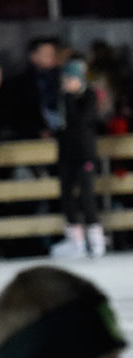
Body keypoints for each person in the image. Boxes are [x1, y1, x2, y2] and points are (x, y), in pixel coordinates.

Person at [52, 58, 106, 259]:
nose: (66, 84)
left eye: (70, 79)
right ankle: (76, 241)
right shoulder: (61, 99)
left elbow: (80, 122)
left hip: (84, 154)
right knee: (67, 197)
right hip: (66, 155)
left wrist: (69, 99)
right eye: (64, 80)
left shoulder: (88, 97)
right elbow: (61, 127)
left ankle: (96, 239)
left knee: (87, 196)